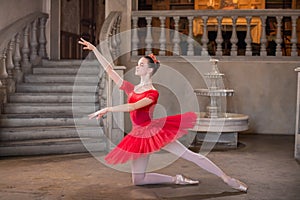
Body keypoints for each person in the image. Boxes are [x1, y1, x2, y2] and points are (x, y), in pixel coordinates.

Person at [78, 38, 248, 192]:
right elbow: (109, 70)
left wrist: (108, 109)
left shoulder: (153, 93)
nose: (137, 66)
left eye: (141, 65)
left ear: (150, 70)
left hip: (153, 131)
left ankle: (227, 178)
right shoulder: (132, 88)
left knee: (190, 155)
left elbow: (134, 106)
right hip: (138, 134)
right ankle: (177, 179)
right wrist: (95, 50)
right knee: (138, 179)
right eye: (138, 64)